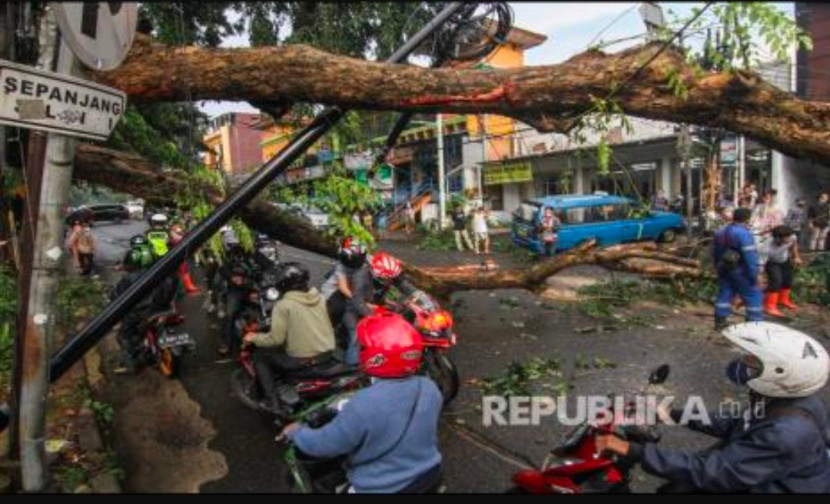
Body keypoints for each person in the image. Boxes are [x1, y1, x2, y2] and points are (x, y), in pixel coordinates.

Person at [595, 321, 830, 493]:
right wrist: (672, 413)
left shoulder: (786, 433)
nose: (742, 364)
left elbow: (715, 472)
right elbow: (737, 420)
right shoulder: (785, 400)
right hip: (760, 471)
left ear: (780, 373)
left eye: (752, 362)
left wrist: (633, 450)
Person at [279, 312, 443, 494]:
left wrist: (298, 432)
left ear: (374, 356)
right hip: (430, 474)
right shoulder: (429, 388)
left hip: (385, 487)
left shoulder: (363, 403)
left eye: (363, 347)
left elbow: (324, 444)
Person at [243, 262, 336, 414]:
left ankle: (272, 402)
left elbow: (275, 339)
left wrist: (254, 337)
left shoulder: (283, 305)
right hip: (327, 354)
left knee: (260, 355)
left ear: (284, 283)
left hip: (304, 359)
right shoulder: (319, 297)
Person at [111, 248, 178, 374]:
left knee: (124, 335)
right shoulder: (162, 272)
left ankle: (131, 365)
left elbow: (116, 297)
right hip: (164, 309)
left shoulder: (128, 279)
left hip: (141, 314)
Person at [320, 236, 374, 364]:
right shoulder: (341, 266)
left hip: (353, 291)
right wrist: (363, 303)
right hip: (334, 294)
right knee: (354, 332)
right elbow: (343, 289)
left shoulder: (364, 256)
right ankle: (351, 366)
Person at [713, 207, 763, 329]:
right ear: (747, 219)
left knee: (725, 292)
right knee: (753, 294)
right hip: (741, 270)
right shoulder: (744, 234)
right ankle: (754, 324)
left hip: (724, 268)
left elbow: (715, 252)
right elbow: (750, 256)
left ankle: (720, 322)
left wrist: (718, 267)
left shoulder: (721, 231)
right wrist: (755, 274)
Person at [763, 225, 803, 318]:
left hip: (784, 260)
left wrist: (796, 256)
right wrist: (759, 276)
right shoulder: (766, 247)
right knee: (776, 282)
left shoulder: (792, 237)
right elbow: (761, 263)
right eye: (785, 239)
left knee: (787, 281)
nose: (788, 240)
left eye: (789, 237)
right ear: (777, 238)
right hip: (771, 263)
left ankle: (783, 300)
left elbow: (793, 245)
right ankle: (770, 306)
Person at [170, 223, 200, 294]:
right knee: (182, 270)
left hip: (180, 255)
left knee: (184, 270)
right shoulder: (174, 237)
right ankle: (185, 288)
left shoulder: (177, 234)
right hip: (177, 255)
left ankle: (188, 286)